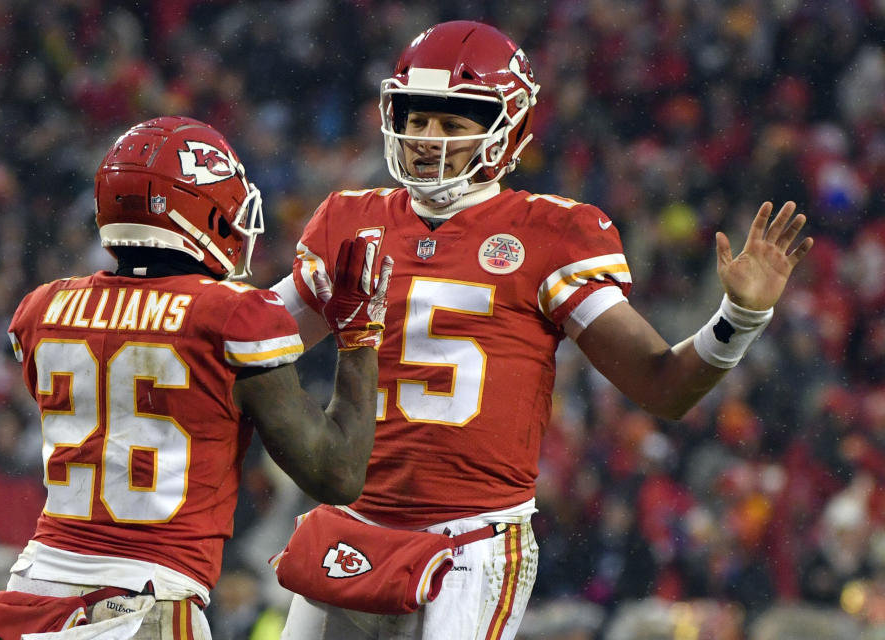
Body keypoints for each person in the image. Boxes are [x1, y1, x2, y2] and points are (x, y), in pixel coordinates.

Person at [270, 20, 813, 640]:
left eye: (452, 123)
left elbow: (663, 387)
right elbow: (251, 345)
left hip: (470, 542)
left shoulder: (548, 232)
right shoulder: (349, 218)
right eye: (417, 119)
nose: (427, 139)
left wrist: (739, 317)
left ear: (508, 127)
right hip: (351, 525)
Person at [0, 115, 392, 640]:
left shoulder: (42, 307)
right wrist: (359, 340)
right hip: (142, 602)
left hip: (28, 593)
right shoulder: (231, 315)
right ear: (206, 214)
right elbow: (337, 475)